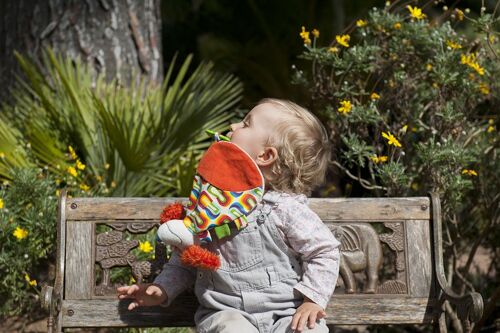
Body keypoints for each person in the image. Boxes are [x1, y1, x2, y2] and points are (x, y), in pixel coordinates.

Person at [117, 98, 341, 333]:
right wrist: (162, 289)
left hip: (286, 312)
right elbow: (189, 256)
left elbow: (324, 250)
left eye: (245, 123)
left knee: (309, 330)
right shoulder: (210, 202)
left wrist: (313, 300)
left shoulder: (285, 210)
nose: (233, 126)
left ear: (265, 156)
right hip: (225, 312)